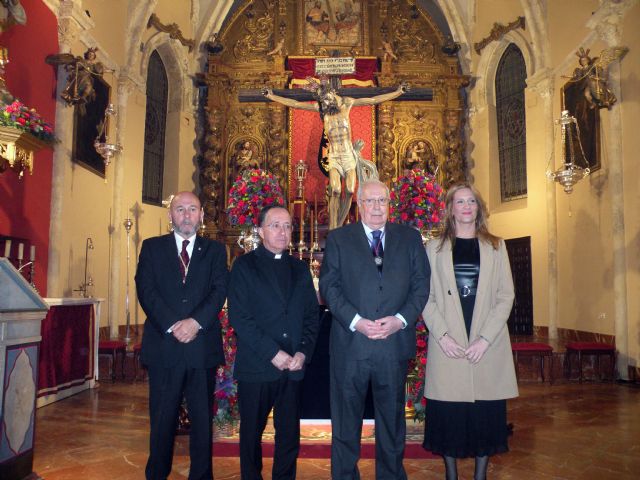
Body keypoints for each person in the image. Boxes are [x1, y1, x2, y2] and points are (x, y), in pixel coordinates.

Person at [319, 179, 430, 479]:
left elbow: (421, 286)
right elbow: (329, 287)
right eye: (370, 201)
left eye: (382, 201)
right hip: (350, 346)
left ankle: (391, 475)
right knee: (345, 423)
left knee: (392, 422)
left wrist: (400, 320)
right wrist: (356, 321)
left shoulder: (410, 238)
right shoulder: (340, 239)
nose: (377, 207)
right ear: (359, 205)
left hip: (392, 346)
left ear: (389, 204)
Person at [422, 183, 518, 480]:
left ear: (479, 208)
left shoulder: (496, 246)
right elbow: (425, 297)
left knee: (485, 417)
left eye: (471, 201)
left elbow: (506, 295)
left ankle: (480, 474)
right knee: (448, 417)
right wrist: (443, 336)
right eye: (459, 202)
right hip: (448, 343)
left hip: (486, 345)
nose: (465, 206)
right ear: (450, 209)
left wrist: (485, 339)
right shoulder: (433, 248)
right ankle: (451, 473)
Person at [135, 191, 228, 480]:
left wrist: (195, 323)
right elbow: (145, 290)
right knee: (162, 420)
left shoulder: (215, 251)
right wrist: (175, 324)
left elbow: (219, 290)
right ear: (170, 216)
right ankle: (157, 474)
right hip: (164, 347)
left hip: (201, 349)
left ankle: (201, 476)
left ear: (201, 215)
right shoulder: (151, 247)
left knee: (202, 421)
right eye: (180, 209)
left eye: (192, 209)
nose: (186, 215)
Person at [228, 205, 320, 480]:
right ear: (260, 230)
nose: (283, 232)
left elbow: (311, 317)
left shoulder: (300, 268)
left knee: (289, 436)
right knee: (251, 436)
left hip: (293, 367)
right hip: (258, 366)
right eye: (275, 225)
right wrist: (273, 353)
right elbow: (240, 318)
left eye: (288, 226)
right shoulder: (244, 266)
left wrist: (303, 352)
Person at [263, 81, 408, 230]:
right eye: (322, 100)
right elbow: (295, 104)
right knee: (336, 189)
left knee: (351, 190)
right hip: (334, 157)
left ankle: (339, 220)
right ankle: (334, 225)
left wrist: (398, 92)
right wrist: (272, 96)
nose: (325, 103)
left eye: (326, 98)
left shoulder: (347, 103)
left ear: (332, 93)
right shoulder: (321, 109)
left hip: (348, 155)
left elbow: (373, 100)